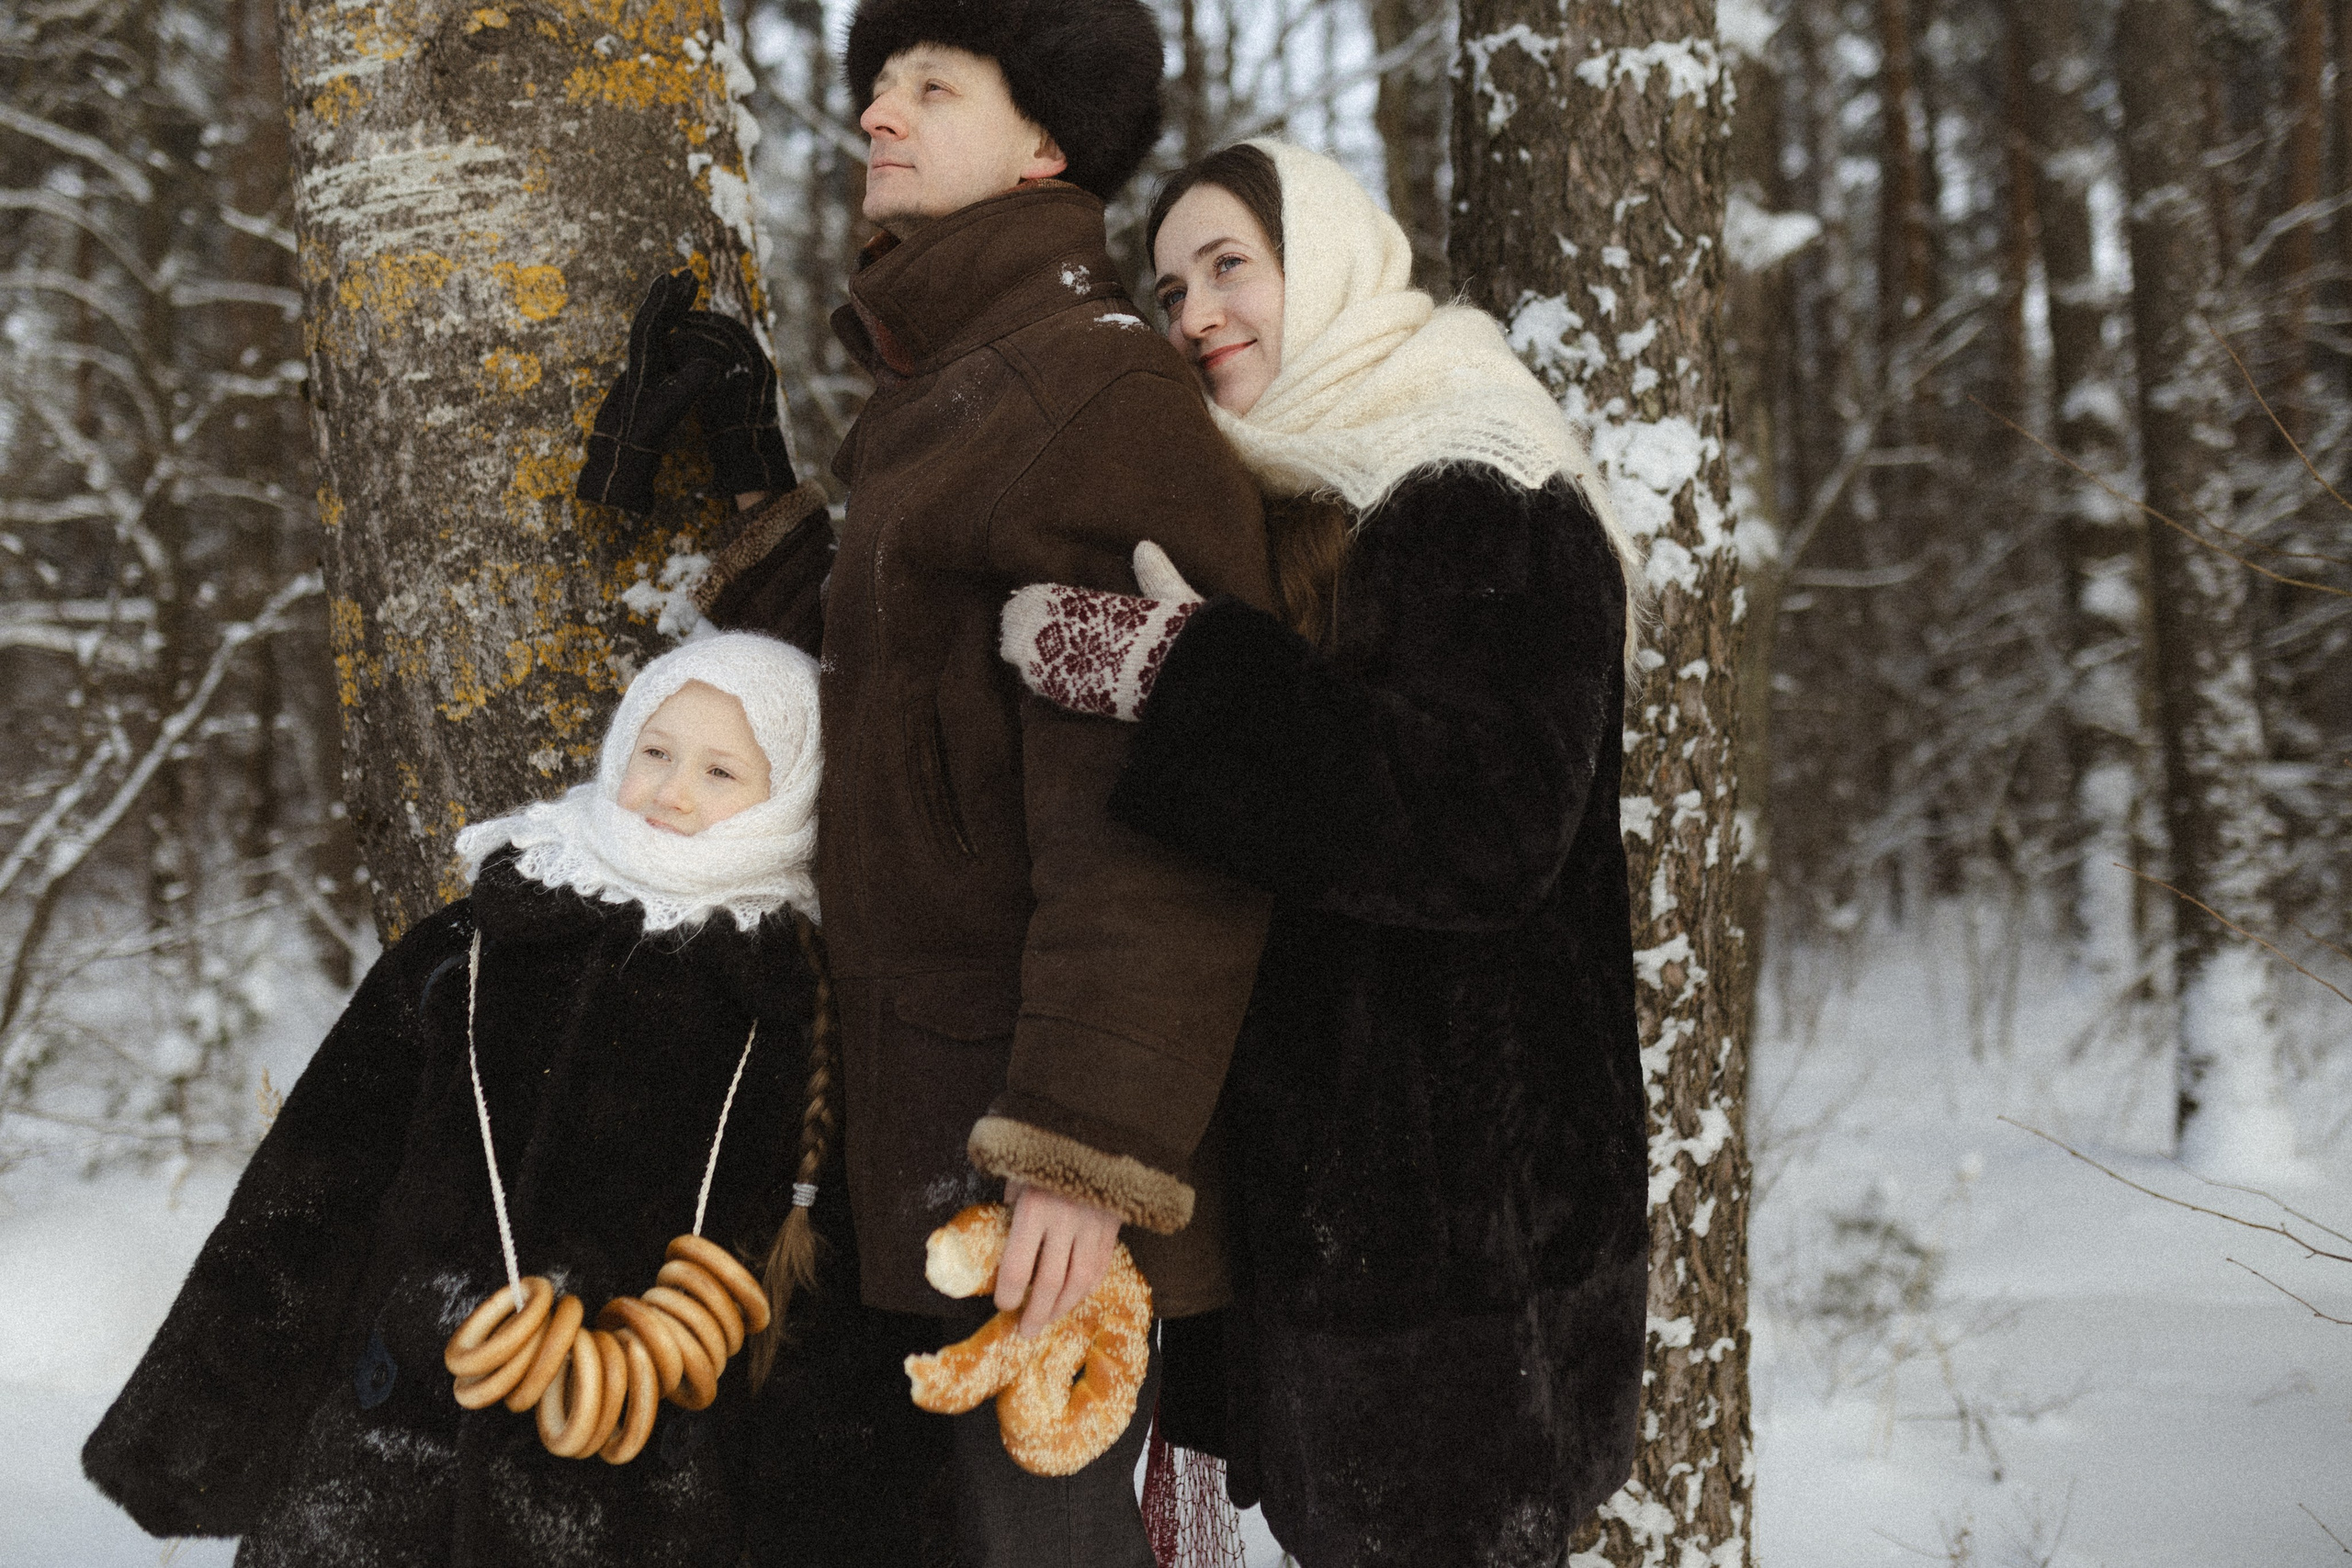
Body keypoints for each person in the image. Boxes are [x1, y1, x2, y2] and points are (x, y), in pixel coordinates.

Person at [671, 2, 1279, 1562]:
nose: (877, 114)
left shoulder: (1099, 397)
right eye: (875, 85)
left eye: (930, 84)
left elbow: (1167, 824)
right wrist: (756, 496)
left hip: (1034, 1177)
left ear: (1045, 142)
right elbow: (904, 718)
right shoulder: (956, 400)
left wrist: (1080, 1156)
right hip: (918, 1134)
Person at [997, 140, 1653, 1566]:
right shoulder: (1295, 488)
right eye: (1170, 289)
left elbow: (1480, 828)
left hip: (1473, 1260)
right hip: (1347, 1245)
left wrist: (1187, 677)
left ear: (1337, 260)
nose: (1198, 313)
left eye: (1234, 264)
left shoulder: (1480, 479)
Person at [81, 633, 943, 1567]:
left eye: (722, 770)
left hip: (636, 1499)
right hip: (391, 1452)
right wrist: (193, 1437)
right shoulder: (478, 942)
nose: (672, 790)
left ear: (789, 799)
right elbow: (315, 1183)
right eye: (654, 751)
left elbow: (831, 1319)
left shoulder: (796, 1005)